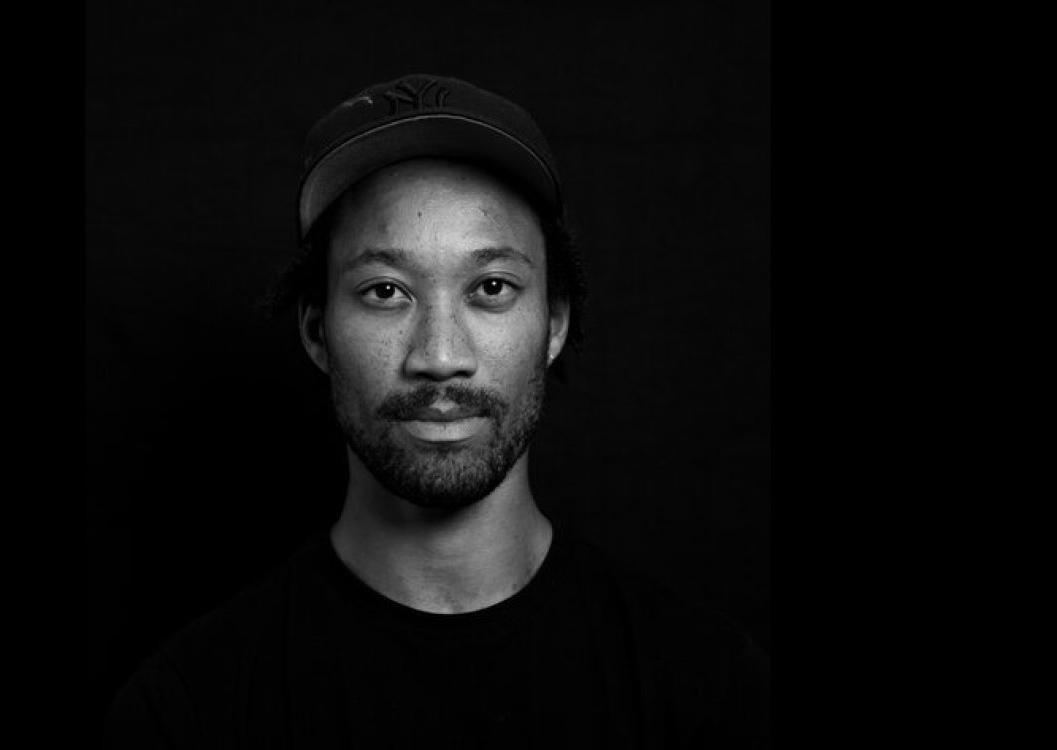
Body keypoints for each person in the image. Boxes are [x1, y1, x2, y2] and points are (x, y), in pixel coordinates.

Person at [103, 73, 769, 749]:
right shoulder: (187, 714)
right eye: (385, 291)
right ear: (315, 330)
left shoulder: (705, 689)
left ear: (554, 323)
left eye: (491, 287)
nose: (441, 356)